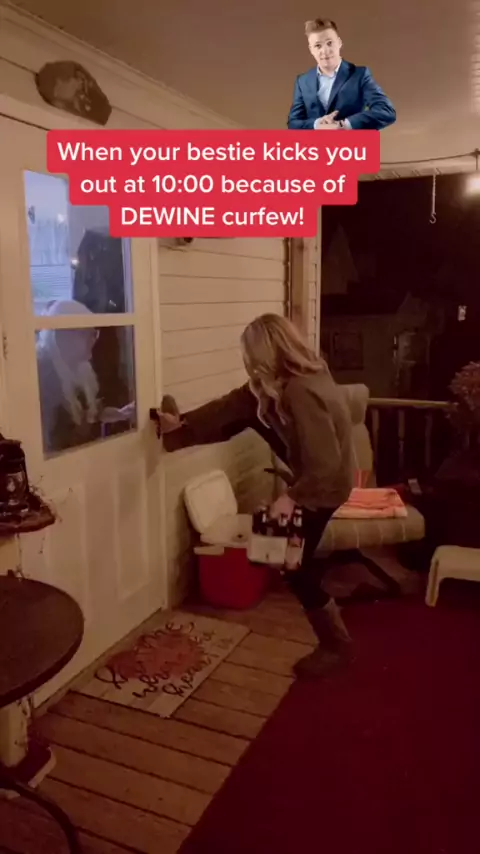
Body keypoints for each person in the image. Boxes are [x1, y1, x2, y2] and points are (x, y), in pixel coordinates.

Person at [156, 314, 355, 678]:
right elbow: (232, 404)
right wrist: (184, 421)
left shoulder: (302, 391)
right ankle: (178, 430)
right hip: (315, 479)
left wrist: (291, 498)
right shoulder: (288, 381)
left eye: (248, 353)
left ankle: (335, 644)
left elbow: (325, 464)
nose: (246, 360)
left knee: (290, 564)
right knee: (247, 405)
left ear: (264, 352)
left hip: (324, 486)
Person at [36, 299, 135, 454]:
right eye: (86, 334)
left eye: (94, 333)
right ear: (61, 337)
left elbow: (88, 415)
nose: (93, 340)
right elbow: (54, 441)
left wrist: (119, 414)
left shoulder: (80, 369)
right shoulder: (45, 374)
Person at [287, 18, 396, 131]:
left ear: (339, 43)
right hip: (314, 143)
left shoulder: (360, 75)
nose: (325, 51)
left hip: (351, 142)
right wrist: (317, 125)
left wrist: (344, 125)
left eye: (329, 43)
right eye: (318, 46)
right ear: (311, 49)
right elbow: (293, 123)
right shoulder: (302, 81)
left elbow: (386, 111)